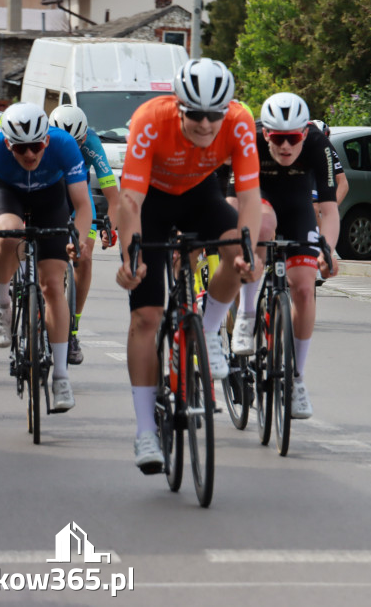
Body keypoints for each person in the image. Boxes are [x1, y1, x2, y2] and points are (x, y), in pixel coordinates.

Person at [115, 58, 262, 473]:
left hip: (200, 195)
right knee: (146, 316)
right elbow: (130, 201)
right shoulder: (150, 118)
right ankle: (146, 429)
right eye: (194, 114)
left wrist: (247, 254)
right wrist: (132, 256)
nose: (204, 123)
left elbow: (249, 198)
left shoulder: (239, 120)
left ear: (226, 110)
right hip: (152, 202)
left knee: (239, 250)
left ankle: (210, 330)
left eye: (213, 114)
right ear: (177, 107)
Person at [0, 102, 92, 414]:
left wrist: (79, 239)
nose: (30, 155)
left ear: (46, 140)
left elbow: (83, 205)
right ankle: (2, 302)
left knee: (52, 286)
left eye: (36, 146)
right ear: (8, 144)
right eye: (21, 149)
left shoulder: (62, 145)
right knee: (8, 230)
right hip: (8, 194)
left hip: (51, 197)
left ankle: (61, 377)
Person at [232, 92, 338, 421]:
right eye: (278, 139)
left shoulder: (319, 144)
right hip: (257, 201)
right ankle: (247, 314)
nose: (285, 147)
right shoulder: (248, 139)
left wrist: (328, 251)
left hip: (296, 207)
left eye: (293, 139)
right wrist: (238, 244)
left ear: (304, 133)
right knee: (263, 224)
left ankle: (296, 379)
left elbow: (329, 210)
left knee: (305, 289)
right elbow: (233, 202)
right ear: (266, 134)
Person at [48, 104, 121, 365]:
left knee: (84, 255)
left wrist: (110, 226)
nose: (71, 146)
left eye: (76, 142)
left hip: (79, 196)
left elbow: (112, 193)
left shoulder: (91, 142)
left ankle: (73, 328)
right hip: (50, 194)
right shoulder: (41, 140)